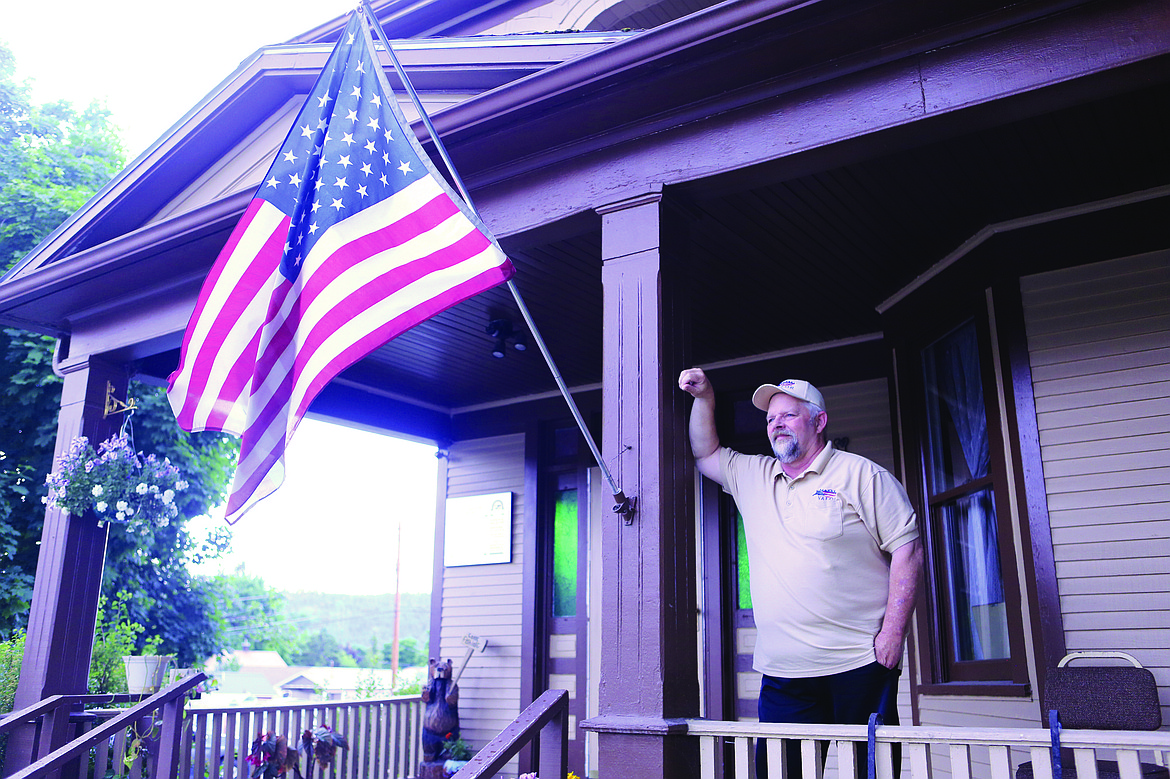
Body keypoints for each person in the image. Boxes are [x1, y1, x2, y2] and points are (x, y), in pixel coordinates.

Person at [678, 368, 923, 779]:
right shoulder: (754, 476)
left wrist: (893, 633)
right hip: (784, 671)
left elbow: (908, 550)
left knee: (869, 774)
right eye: (771, 419)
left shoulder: (862, 475)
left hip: (859, 663)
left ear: (818, 421)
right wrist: (704, 399)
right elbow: (705, 454)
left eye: (788, 416)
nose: (777, 426)